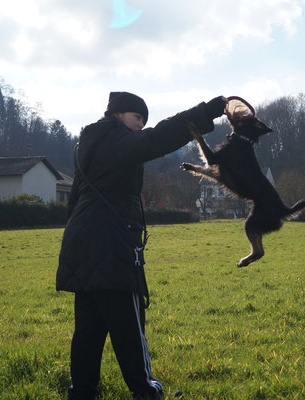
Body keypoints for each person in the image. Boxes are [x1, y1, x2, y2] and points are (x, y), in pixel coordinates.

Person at [56, 92, 226, 399]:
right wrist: (206, 112)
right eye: (138, 119)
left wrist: (76, 243)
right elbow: (157, 139)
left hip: (82, 243)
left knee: (88, 330)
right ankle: (145, 390)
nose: (140, 126)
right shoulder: (115, 138)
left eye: (143, 122)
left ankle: (81, 392)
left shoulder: (86, 144)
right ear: (119, 114)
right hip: (111, 242)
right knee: (128, 325)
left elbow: (76, 197)